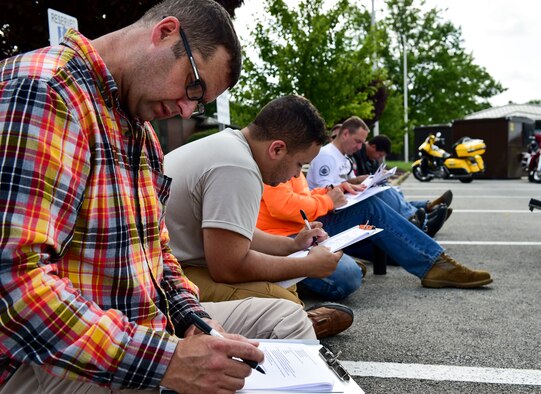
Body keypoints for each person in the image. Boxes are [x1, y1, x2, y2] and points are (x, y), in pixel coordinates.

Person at [0, 2, 316, 393]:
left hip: (141, 326)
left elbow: (158, 256)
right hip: (51, 356)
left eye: (198, 103)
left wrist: (195, 320)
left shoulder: (141, 128)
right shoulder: (45, 91)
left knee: (283, 320)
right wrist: (166, 362)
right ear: (165, 32)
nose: (185, 110)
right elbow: (12, 284)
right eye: (192, 85)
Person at [164, 95, 355, 338]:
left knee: (286, 287)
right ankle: (302, 323)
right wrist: (309, 265)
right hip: (166, 278)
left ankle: (302, 321)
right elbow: (229, 267)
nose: (296, 175)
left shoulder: (230, 148)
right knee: (286, 305)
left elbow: (234, 233)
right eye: (299, 164)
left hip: (167, 265)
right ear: (277, 149)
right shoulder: (239, 168)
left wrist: (293, 244)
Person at [257, 171, 493, 290]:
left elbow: (302, 197)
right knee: (349, 278)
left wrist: (336, 189)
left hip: (307, 228)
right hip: (285, 240)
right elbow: (284, 206)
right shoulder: (276, 163)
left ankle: (433, 262)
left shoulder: (291, 160)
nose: (302, 166)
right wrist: (328, 200)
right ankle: (422, 254)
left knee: (374, 205)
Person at [307, 117, 449, 237]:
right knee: (378, 198)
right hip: (328, 214)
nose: (359, 147)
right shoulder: (326, 155)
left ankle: (417, 221)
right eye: (358, 141)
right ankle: (419, 223)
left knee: (384, 188)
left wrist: (363, 180)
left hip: (343, 204)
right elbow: (325, 189)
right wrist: (356, 182)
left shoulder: (344, 157)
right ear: (345, 134)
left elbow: (347, 182)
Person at [352, 135, 454, 235]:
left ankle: (426, 211)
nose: (359, 145)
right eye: (379, 155)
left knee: (396, 193)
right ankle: (424, 219)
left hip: (364, 192)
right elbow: (355, 180)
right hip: (361, 196)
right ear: (373, 147)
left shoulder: (366, 157)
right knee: (388, 195)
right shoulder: (356, 154)